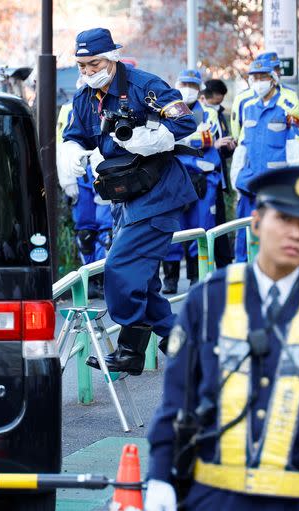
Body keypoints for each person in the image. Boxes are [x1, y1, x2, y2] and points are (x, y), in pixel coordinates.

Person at [145, 166, 299, 511]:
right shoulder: (210, 299)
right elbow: (179, 398)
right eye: (284, 218)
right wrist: (160, 475)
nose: (295, 234)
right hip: (215, 501)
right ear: (256, 222)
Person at [58, 27, 197, 375]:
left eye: (95, 64)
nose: (88, 71)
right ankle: (188, 349)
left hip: (158, 192)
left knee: (119, 268)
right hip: (124, 195)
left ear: (113, 57)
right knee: (145, 286)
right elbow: (74, 134)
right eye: (82, 65)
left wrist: (156, 137)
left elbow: (185, 120)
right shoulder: (84, 97)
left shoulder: (143, 84)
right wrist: (73, 152)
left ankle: (130, 350)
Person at [233, 56, 299, 262]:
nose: (258, 82)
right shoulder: (248, 107)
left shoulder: (287, 106)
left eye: (262, 77)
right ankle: (243, 276)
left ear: (273, 79)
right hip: (249, 183)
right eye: (254, 77)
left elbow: (295, 146)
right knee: (244, 237)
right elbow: (242, 147)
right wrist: (236, 178)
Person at [162, 69, 222, 293]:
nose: (188, 89)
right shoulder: (167, 111)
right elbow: (164, 139)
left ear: (199, 89)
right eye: (184, 84)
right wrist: (189, 139)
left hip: (203, 179)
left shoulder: (208, 112)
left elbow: (206, 139)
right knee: (172, 229)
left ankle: (198, 277)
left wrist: (180, 139)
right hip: (174, 178)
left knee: (202, 227)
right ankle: (170, 278)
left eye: (193, 86)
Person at [57, 102, 113, 298]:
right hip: (80, 173)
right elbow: (62, 145)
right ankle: (91, 279)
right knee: (85, 235)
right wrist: (66, 180)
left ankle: (107, 279)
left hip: (105, 170)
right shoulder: (69, 108)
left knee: (108, 234)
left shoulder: (113, 98)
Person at [201, 79, 236, 268]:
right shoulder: (199, 112)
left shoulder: (219, 114)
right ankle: (204, 266)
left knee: (220, 221)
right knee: (205, 222)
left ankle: (224, 263)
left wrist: (228, 147)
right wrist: (214, 146)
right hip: (202, 176)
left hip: (218, 176)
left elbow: (222, 146)